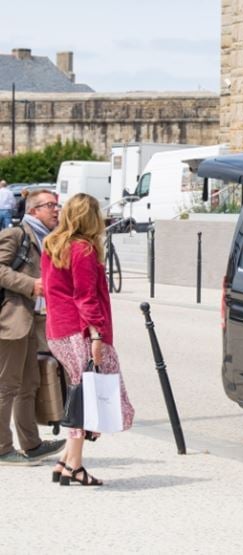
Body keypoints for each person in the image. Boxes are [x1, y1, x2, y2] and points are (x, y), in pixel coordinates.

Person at [42, 193, 134, 486]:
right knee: (86, 398)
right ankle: (75, 467)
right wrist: (95, 334)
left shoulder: (53, 245)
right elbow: (86, 297)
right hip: (81, 332)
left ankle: (65, 461)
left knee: (79, 393)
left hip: (58, 329)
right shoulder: (82, 249)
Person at [0, 189, 66, 465]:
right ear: (32, 210)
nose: (56, 210)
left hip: (33, 323)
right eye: (49, 205)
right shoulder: (17, 235)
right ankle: (3, 448)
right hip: (10, 319)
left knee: (29, 384)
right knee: (7, 385)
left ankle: (31, 443)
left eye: (57, 205)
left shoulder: (49, 238)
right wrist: (30, 285)